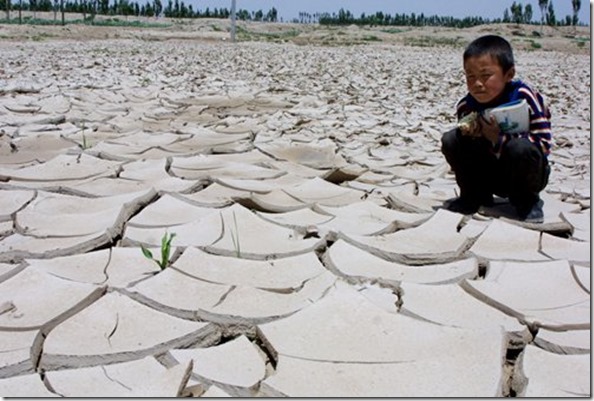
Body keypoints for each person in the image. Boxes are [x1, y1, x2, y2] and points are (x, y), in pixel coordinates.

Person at [441, 34, 552, 223]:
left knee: (520, 148)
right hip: (488, 173)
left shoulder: (524, 97)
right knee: (451, 139)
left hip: (525, 173)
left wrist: (498, 138)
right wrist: (473, 135)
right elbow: (463, 150)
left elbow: (543, 145)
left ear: (509, 74)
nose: (477, 84)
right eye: (470, 76)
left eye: (486, 76)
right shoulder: (466, 106)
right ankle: (473, 196)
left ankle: (527, 201)